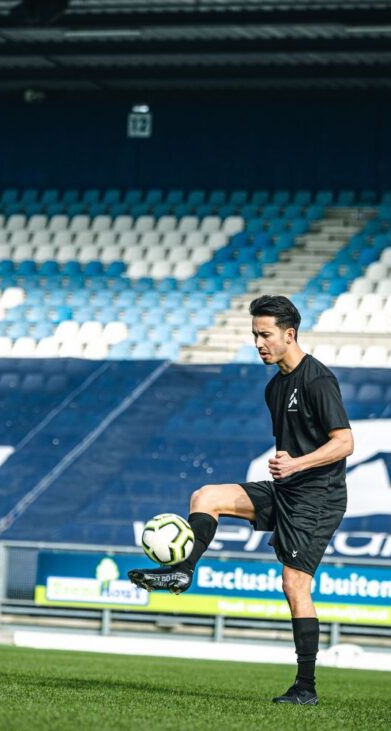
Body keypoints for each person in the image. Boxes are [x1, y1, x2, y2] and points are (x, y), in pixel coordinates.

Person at [128, 294, 353, 706]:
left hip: (317, 498)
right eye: (254, 335)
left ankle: (306, 688)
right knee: (206, 495)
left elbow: (345, 443)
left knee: (293, 584)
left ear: (290, 334)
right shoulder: (275, 387)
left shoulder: (318, 380)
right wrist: (291, 469)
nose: (258, 343)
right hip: (287, 489)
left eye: (265, 335)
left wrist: (298, 464)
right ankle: (182, 571)